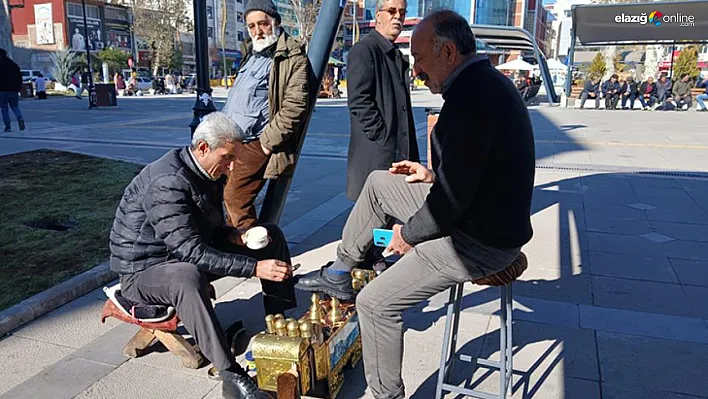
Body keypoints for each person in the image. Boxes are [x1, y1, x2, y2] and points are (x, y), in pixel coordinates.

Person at [295, 11, 535, 399]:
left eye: (420, 59)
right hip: (473, 213)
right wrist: (430, 174)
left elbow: (449, 205)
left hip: (478, 241)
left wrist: (408, 235)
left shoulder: (472, 99)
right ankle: (340, 270)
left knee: (375, 303)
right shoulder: (479, 85)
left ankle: (385, 394)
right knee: (379, 183)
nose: (417, 70)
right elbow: (472, 174)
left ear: (449, 52)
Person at [109, 112, 290, 399]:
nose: (232, 168)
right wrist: (254, 268)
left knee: (270, 235)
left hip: (180, 256)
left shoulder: (208, 172)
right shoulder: (167, 181)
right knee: (187, 275)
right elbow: (189, 250)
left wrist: (234, 236)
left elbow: (208, 229)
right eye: (227, 158)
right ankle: (231, 375)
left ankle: (282, 321)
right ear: (203, 147)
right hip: (143, 272)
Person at [343, 0, 420, 270]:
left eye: (402, 12)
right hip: (377, 152)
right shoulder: (364, 50)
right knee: (369, 213)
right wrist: (383, 135)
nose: (398, 17)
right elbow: (359, 100)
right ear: (378, 16)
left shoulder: (397, 56)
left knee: (385, 216)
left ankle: (372, 259)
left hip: (397, 151)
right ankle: (355, 269)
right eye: (392, 11)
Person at [221, 0, 310, 230]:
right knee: (220, 197)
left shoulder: (291, 56)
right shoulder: (251, 53)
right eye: (251, 26)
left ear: (276, 23)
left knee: (235, 198)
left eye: (263, 23)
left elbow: (295, 106)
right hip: (230, 140)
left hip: (256, 142)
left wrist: (265, 145)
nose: (257, 31)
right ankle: (234, 253)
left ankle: (257, 255)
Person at [0, 48, 25, 132]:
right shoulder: (13, 64)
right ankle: (20, 118)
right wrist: (18, 87)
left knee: (4, 108)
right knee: (15, 106)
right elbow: (19, 77)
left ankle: (8, 127)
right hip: (14, 90)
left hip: (2, 90)